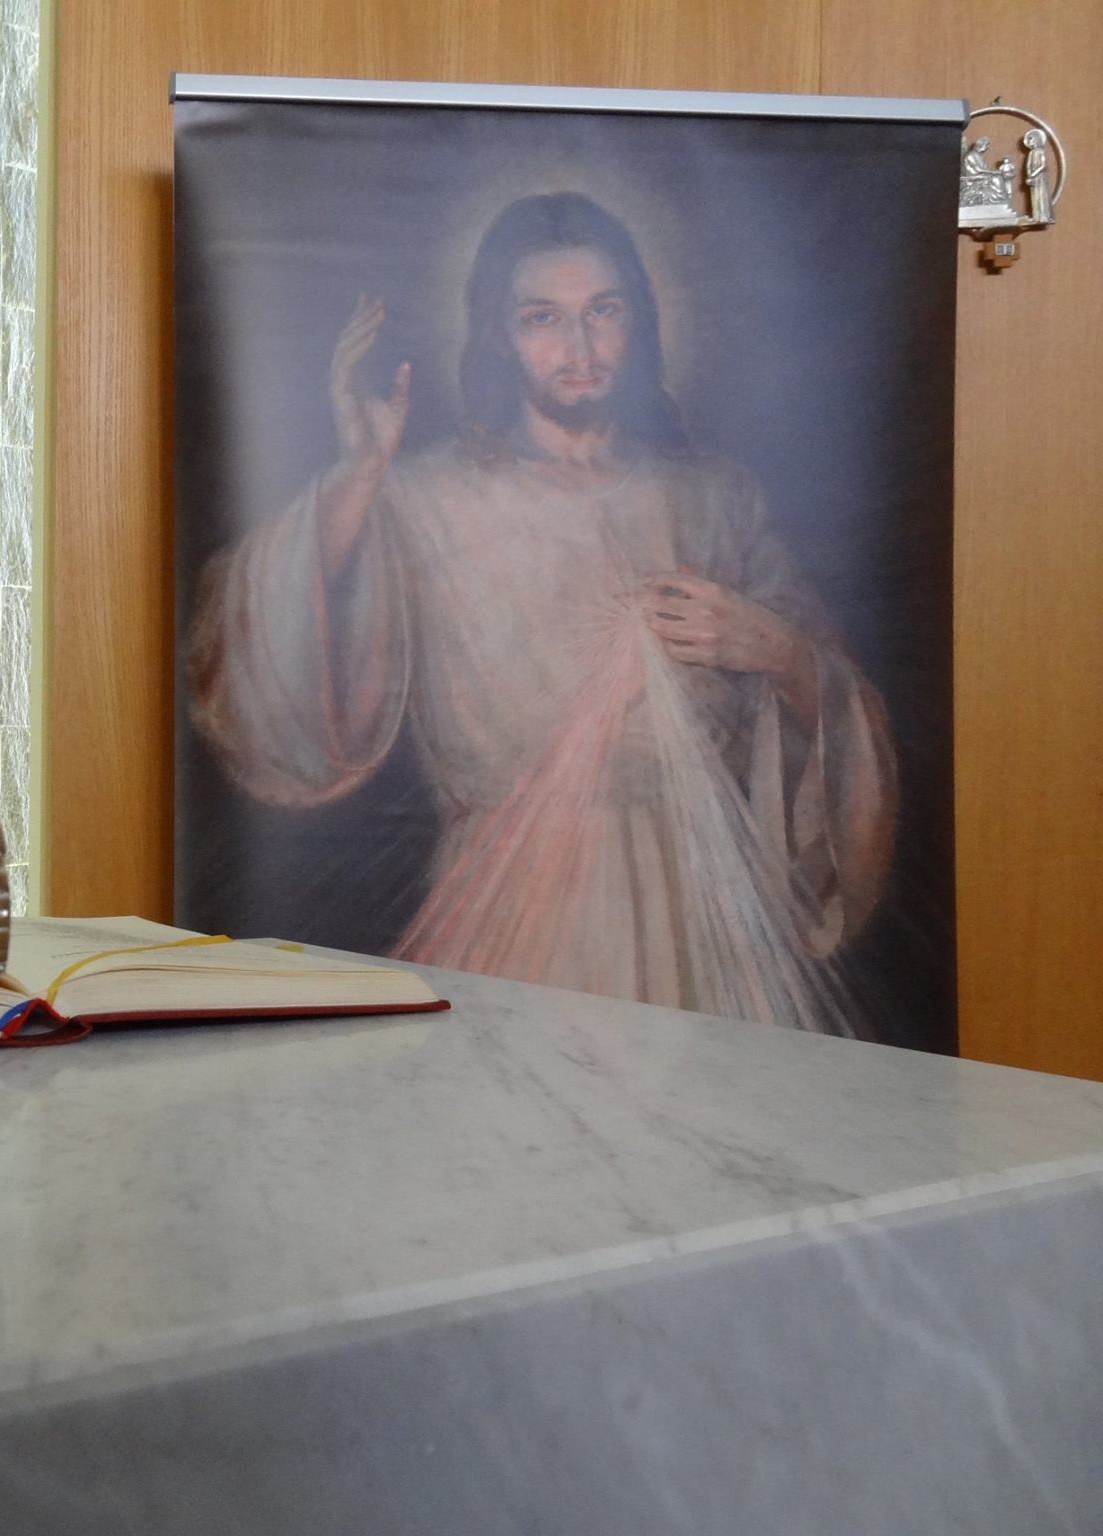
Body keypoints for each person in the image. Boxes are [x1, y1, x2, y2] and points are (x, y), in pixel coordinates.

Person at [186, 193, 897, 1033]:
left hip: (708, 919)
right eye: (542, 319)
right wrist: (358, 476)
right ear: (499, 333)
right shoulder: (429, 498)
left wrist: (776, 649)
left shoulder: (712, 498)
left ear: (638, 318)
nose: (580, 348)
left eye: (603, 311)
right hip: (514, 915)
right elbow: (249, 654)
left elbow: (846, 718)